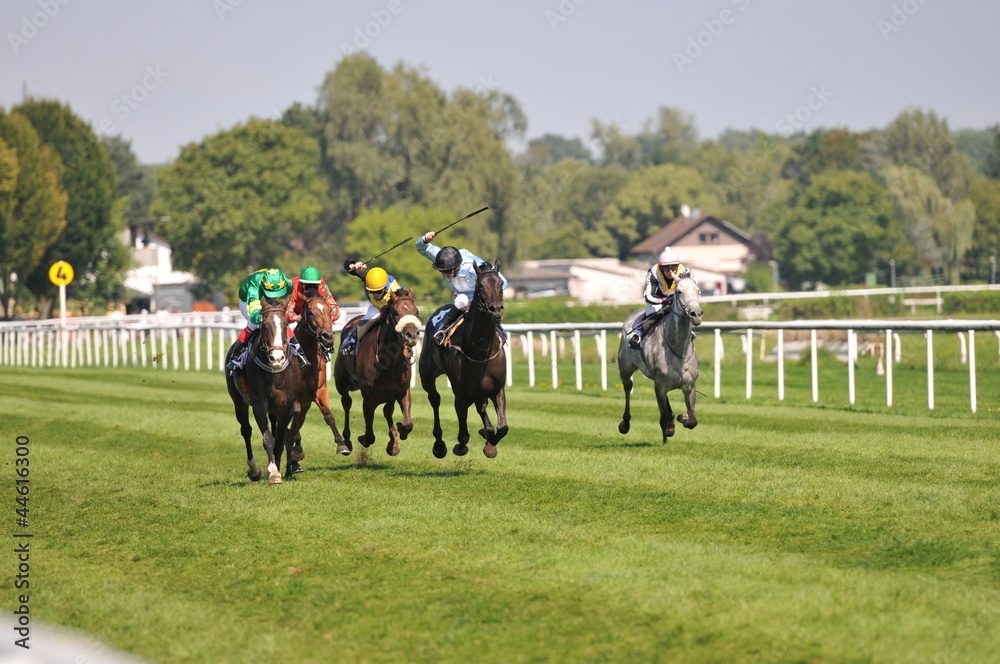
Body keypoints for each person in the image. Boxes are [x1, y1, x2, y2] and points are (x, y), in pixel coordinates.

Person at [416, 231, 508, 345]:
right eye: (442, 271)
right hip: (462, 295)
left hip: (480, 299)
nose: (445, 274)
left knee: (462, 300)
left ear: (457, 267)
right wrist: (425, 239)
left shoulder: (472, 268)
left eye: (448, 271)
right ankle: (443, 333)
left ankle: (499, 328)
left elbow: (502, 281)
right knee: (461, 299)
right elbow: (420, 247)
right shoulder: (442, 259)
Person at [227, 268, 292, 373]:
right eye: (273, 292)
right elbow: (254, 312)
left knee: (279, 323)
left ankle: (298, 350)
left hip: (267, 298)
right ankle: (236, 356)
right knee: (254, 324)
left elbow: (290, 298)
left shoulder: (286, 281)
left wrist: (289, 313)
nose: (275, 294)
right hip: (248, 300)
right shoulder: (254, 287)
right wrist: (259, 318)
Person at [627, 246, 689, 348]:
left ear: (678, 266)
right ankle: (637, 334)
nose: (670, 272)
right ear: (660, 267)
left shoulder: (684, 272)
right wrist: (662, 300)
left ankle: (690, 333)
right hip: (661, 301)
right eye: (666, 268)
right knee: (652, 311)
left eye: (673, 267)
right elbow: (648, 296)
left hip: (678, 301)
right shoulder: (653, 272)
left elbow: (688, 292)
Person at [339, 260, 403, 356]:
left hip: (391, 308)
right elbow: (348, 266)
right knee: (365, 322)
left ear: (385, 287)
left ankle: (407, 346)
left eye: (378, 291)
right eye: (372, 291)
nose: (375, 295)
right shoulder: (368, 276)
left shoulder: (395, 288)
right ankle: (350, 342)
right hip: (376, 307)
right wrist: (353, 265)